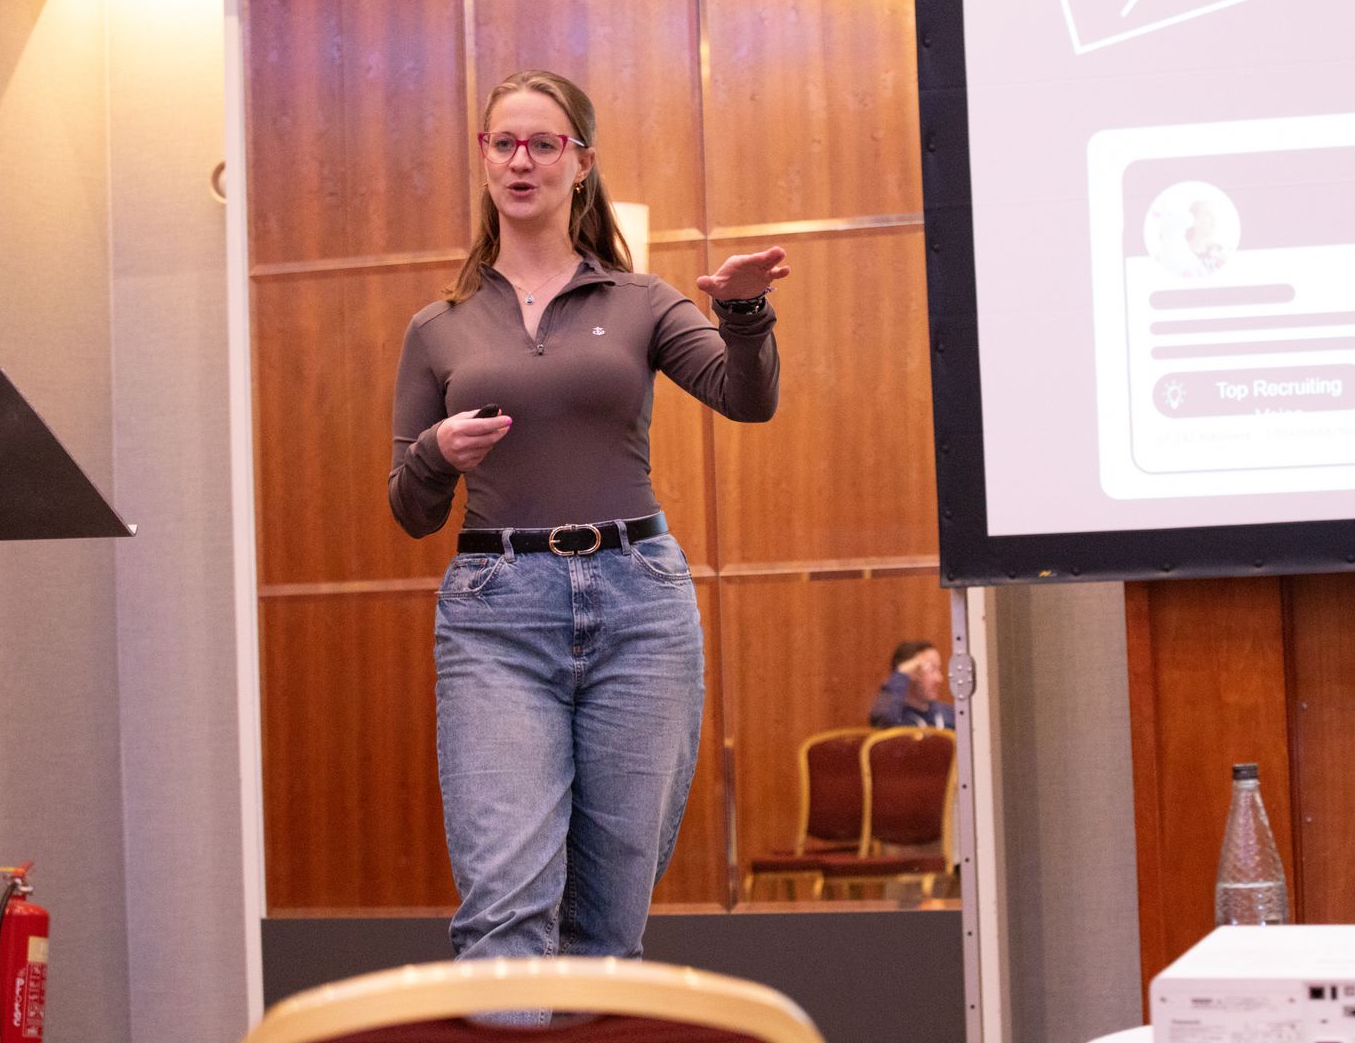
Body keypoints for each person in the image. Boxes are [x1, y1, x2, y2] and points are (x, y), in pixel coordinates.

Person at [388, 68, 788, 967]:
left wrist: (745, 312)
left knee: (608, 927)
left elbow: (745, 398)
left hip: (638, 606)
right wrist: (433, 456)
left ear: (582, 163)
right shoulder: (438, 327)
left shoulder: (639, 300)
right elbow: (410, 511)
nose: (520, 160)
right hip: (498, 613)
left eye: (543, 143)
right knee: (503, 912)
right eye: (503, 143)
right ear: (485, 159)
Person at [870, 640, 954, 728]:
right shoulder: (897, 717)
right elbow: (881, 720)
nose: (939, 679)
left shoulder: (947, 714)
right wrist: (902, 673)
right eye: (931, 669)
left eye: (938, 669)